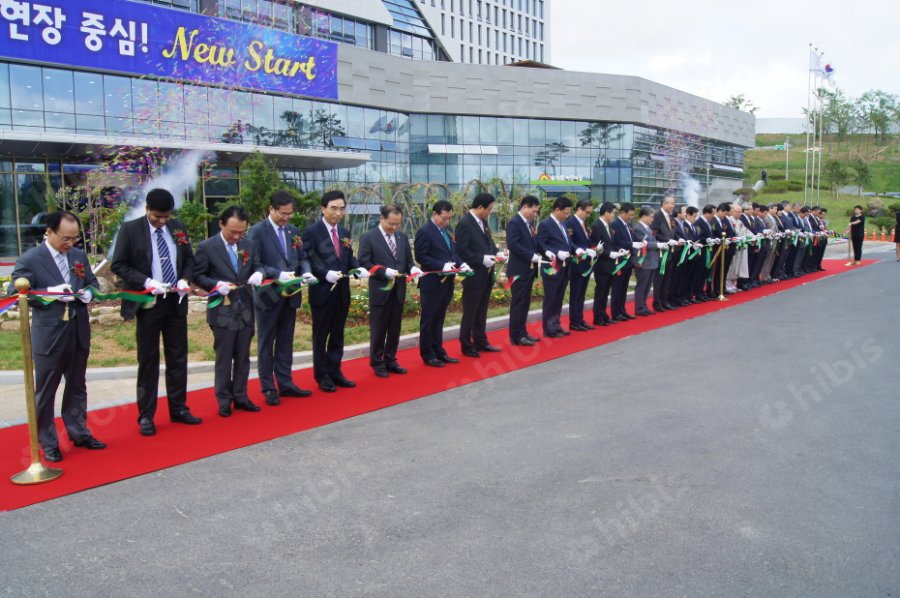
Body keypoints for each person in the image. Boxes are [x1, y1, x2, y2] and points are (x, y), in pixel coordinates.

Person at [9, 211, 106, 462]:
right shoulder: (30, 259)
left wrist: (89, 293)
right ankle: (48, 442)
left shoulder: (77, 255)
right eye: (65, 238)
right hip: (50, 333)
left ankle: (79, 432)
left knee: (77, 386)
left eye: (74, 239)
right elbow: (15, 293)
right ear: (49, 232)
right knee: (46, 391)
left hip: (77, 330)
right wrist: (49, 293)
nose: (70, 244)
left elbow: (92, 281)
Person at [111, 188, 202, 436]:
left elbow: (189, 260)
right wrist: (146, 281)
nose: (162, 222)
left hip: (175, 301)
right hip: (149, 302)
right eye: (157, 217)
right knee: (149, 360)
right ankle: (146, 415)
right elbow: (118, 264)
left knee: (178, 356)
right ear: (147, 209)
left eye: (166, 217)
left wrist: (184, 279)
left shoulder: (178, 227)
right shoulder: (131, 230)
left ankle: (179, 408)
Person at [193, 206, 266, 417]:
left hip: (245, 306)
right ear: (221, 224)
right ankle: (224, 399)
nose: (236, 236)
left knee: (243, 355)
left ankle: (241, 395)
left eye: (241, 232)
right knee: (224, 356)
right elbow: (198, 275)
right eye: (232, 232)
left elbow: (258, 265)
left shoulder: (249, 244)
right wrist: (216, 284)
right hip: (222, 308)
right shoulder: (208, 247)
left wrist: (259, 273)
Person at [247, 191, 316, 406]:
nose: (287, 218)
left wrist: (306, 271)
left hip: (291, 294)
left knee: (286, 341)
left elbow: (302, 257)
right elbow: (254, 263)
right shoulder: (257, 232)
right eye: (283, 214)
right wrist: (277, 274)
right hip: (269, 296)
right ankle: (268, 387)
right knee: (267, 342)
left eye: (290, 214)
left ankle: (286, 383)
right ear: (271, 209)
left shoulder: (293, 230)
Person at [301, 190, 368, 392]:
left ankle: (335, 371)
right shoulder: (311, 232)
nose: (338, 213)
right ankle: (322, 375)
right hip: (322, 292)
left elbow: (348, 258)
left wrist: (357, 268)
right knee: (321, 335)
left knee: (337, 334)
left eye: (341, 209)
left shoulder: (345, 233)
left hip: (341, 292)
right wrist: (323, 273)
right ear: (323, 209)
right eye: (333, 208)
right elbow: (308, 260)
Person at [357, 205, 421, 377]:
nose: (394, 228)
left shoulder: (402, 237)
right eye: (391, 224)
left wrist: (413, 269)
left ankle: (391, 359)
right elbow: (363, 262)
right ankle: (377, 362)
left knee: (394, 327)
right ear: (382, 219)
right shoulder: (368, 237)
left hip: (398, 290)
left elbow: (408, 261)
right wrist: (382, 271)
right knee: (379, 328)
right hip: (380, 290)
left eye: (397, 224)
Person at [414, 200, 466, 367]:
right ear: (434, 214)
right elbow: (421, 256)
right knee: (429, 319)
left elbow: (454, 252)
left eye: (450, 218)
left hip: (447, 281)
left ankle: (439, 350)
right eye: (444, 218)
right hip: (432, 282)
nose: (447, 222)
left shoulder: (448, 230)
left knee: (440, 318)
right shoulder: (425, 231)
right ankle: (427, 353)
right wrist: (441, 266)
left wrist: (460, 263)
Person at [455, 193, 502, 357]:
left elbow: (488, 243)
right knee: (471, 311)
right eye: (489, 209)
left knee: (482, 310)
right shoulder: (465, 223)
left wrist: (497, 253)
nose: (490, 212)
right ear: (480, 207)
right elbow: (461, 251)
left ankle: (481, 341)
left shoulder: (482, 222)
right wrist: (481, 259)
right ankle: (466, 344)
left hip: (486, 273)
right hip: (473, 275)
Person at [505, 195, 542, 345]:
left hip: (528, 270)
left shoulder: (529, 223)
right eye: (533, 211)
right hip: (518, 270)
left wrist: (545, 252)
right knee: (518, 303)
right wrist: (530, 255)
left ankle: (523, 332)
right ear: (525, 207)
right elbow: (513, 244)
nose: (535, 214)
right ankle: (516, 336)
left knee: (525, 303)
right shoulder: (515, 223)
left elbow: (534, 242)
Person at [537, 196, 573, 338]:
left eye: (569, 213)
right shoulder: (546, 224)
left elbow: (567, 243)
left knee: (559, 298)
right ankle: (548, 328)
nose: (567, 216)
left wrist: (576, 250)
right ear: (557, 209)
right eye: (565, 213)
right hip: (551, 267)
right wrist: (556, 253)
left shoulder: (562, 224)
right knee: (551, 298)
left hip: (564, 267)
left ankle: (556, 324)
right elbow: (541, 244)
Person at [588, 201, 623, 326]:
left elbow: (610, 244)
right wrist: (609, 254)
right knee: (600, 292)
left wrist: (618, 251)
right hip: (602, 265)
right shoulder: (596, 226)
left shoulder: (609, 227)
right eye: (613, 213)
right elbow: (594, 246)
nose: (614, 216)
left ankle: (603, 314)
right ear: (606, 213)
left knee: (605, 291)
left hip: (610, 265)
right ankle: (597, 317)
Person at [566, 199, 597, 331]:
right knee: (576, 294)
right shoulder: (570, 223)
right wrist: (583, 250)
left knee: (581, 294)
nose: (588, 215)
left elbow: (586, 241)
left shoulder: (583, 223)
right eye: (587, 212)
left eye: (590, 213)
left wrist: (594, 248)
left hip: (586, 263)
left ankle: (580, 319)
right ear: (579, 209)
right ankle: (574, 321)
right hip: (576, 263)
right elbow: (569, 242)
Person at [631, 206, 666, 315]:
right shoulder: (638, 228)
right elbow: (644, 244)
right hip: (643, 262)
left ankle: (644, 306)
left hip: (651, 261)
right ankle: (639, 308)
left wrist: (660, 244)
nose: (652, 219)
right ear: (644, 216)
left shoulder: (647, 228)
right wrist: (657, 244)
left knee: (647, 286)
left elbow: (650, 241)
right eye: (651, 217)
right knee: (642, 286)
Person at [609, 202, 637, 320]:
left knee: (624, 288)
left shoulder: (628, 224)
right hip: (619, 261)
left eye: (632, 215)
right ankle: (616, 313)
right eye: (629, 215)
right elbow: (615, 242)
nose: (630, 217)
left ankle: (622, 310)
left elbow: (632, 239)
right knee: (617, 288)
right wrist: (631, 244)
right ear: (622, 213)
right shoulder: (615, 224)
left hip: (628, 261)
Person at [650, 194, 677, 311]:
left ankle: (664, 301)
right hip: (661, 253)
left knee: (668, 279)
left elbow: (672, 232)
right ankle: (657, 302)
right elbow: (654, 234)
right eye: (671, 203)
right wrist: (667, 240)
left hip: (670, 252)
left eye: (673, 203)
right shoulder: (657, 216)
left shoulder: (670, 217)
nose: (673, 205)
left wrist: (677, 239)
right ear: (664, 204)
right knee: (659, 279)